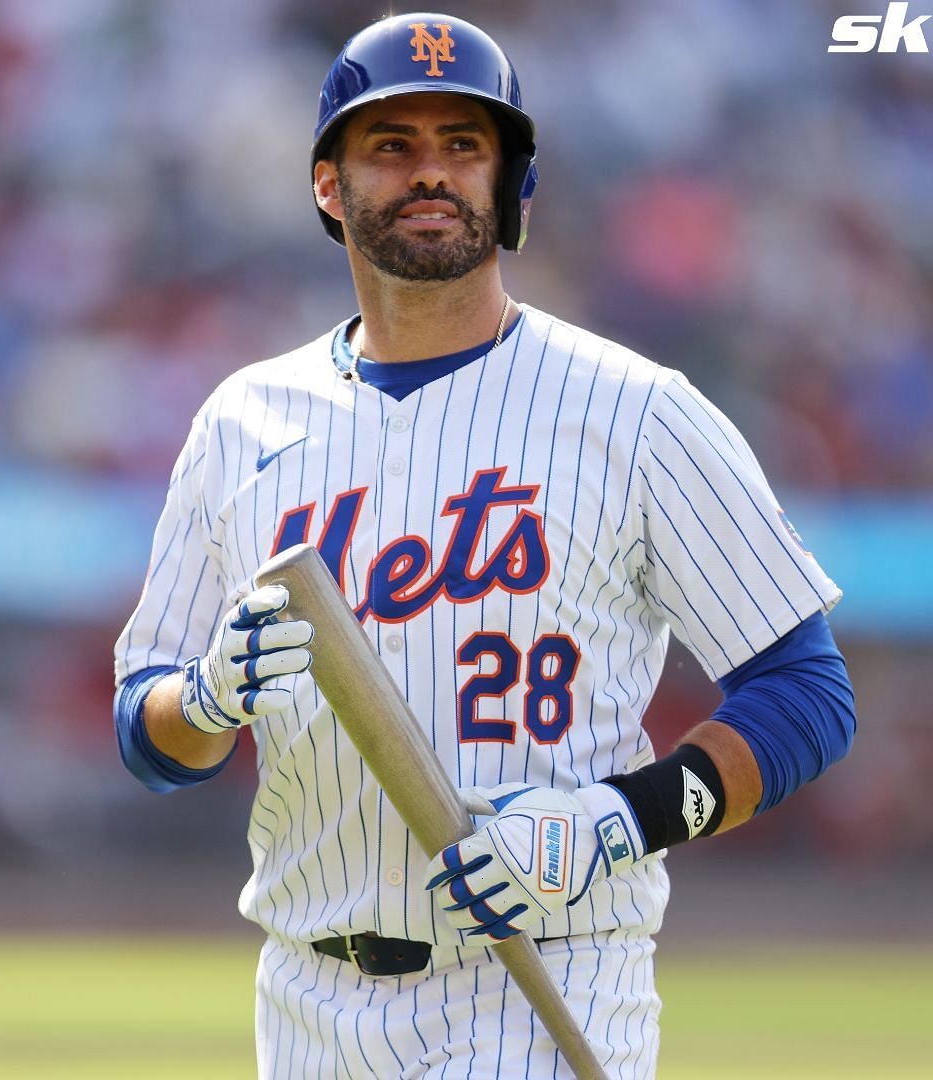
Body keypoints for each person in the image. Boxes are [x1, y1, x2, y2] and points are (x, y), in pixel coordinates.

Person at [112, 13, 855, 1078]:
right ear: (329, 186)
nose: (431, 174)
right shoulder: (242, 420)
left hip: (544, 989)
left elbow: (807, 696)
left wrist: (613, 822)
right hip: (305, 1002)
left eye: (464, 145)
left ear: (513, 184)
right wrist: (209, 699)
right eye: (391, 147)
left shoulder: (637, 411)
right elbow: (150, 742)